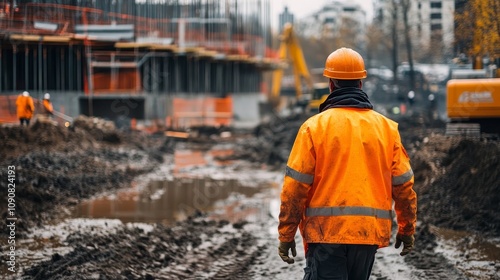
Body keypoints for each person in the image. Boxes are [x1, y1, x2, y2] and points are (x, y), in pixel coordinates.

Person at [278, 47, 417, 280]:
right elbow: (404, 185)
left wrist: (286, 234)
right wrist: (406, 229)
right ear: (361, 84)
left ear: (331, 84)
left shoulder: (313, 128)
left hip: (325, 236)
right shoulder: (386, 129)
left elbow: (295, 188)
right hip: (366, 235)